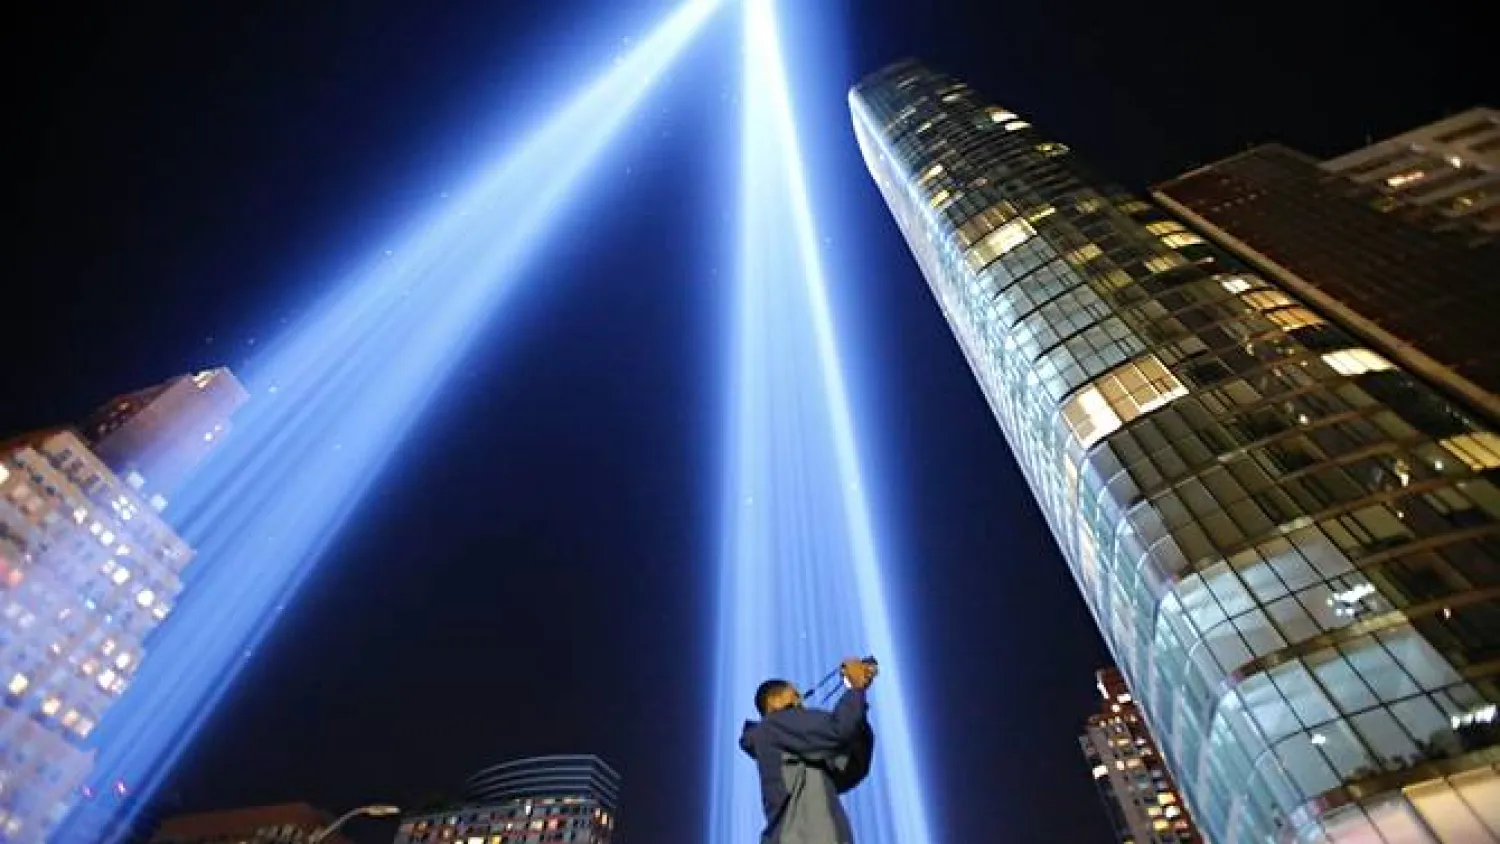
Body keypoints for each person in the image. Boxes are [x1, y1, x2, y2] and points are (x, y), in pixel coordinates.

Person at [739, 658, 878, 844]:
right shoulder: (775, 725)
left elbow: (852, 768)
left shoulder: (800, 746)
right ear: (773, 701)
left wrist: (858, 702)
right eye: (795, 695)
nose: (801, 701)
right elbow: (838, 730)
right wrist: (855, 689)